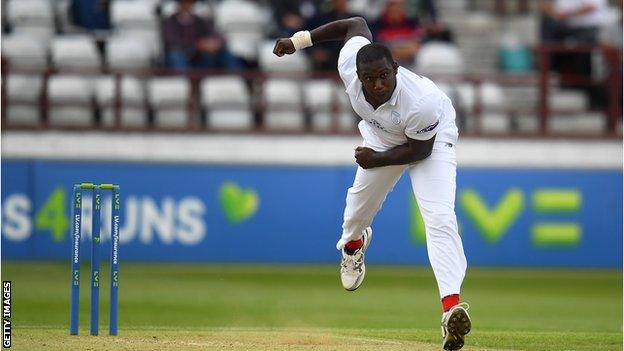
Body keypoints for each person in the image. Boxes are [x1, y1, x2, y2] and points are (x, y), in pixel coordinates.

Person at [273, 17, 470, 351]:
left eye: (384, 76)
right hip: (380, 136)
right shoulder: (350, 65)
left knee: (440, 218)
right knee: (356, 212)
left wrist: (376, 160)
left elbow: (418, 151)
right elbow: (355, 24)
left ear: (395, 68)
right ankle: (353, 246)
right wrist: (300, 41)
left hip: (430, 140)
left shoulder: (421, 101)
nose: (378, 85)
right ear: (358, 76)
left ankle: (451, 307)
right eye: (370, 79)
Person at [162, 0, 241, 71]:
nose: (187, 5)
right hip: (182, 57)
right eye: (184, 2)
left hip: (200, 58)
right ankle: (184, 85)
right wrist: (196, 45)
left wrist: (215, 43)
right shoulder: (170, 21)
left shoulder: (199, 20)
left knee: (226, 56)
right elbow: (171, 43)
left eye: (190, 2)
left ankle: (237, 82)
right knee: (175, 56)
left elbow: (215, 35)